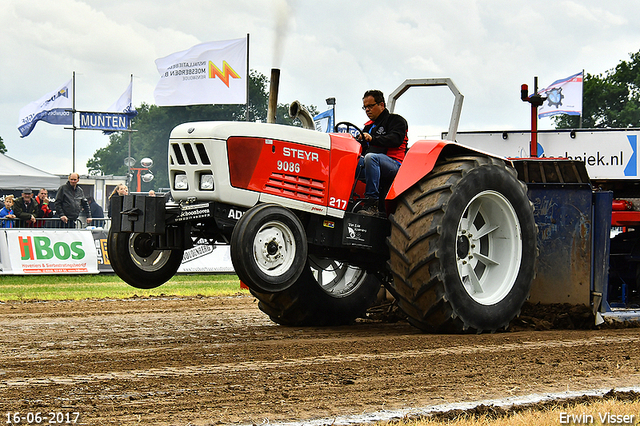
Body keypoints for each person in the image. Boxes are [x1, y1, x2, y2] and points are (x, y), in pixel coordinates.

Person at [355, 89, 408, 216]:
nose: (367, 110)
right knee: (349, 159)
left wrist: (372, 139)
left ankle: (372, 203)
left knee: (371, 158)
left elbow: (395, 140)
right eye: (365, 107)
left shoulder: (396, 121)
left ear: (381, 105)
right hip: (373, 162)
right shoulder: (368, 126)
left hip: (394, 165)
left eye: (370, 106)